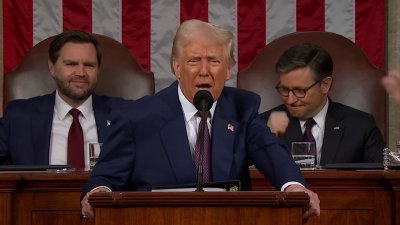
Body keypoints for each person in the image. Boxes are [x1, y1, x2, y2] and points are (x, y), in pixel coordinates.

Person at [80, 19, 319, 220]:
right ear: (176, 66)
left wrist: (295, 188)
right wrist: (98, 193)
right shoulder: (137, 117)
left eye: (214, 61)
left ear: (227, 70)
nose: (204, 71)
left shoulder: (241, 109)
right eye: (194, 61)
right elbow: (105, 177)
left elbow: (272, 153)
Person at [0, 30, 130, 169]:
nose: (80, 73)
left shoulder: (124, 115)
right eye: (71, 64)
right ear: (52, 68)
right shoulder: (18, 117)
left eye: (89, 65)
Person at [259, 43, 385, 166]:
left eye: (299, 90)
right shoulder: (263, 124)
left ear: (325, 85)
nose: (290, 100)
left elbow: (380, 181)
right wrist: (267, 138)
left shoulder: (360, 125)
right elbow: (244, 178)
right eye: (284, 89)